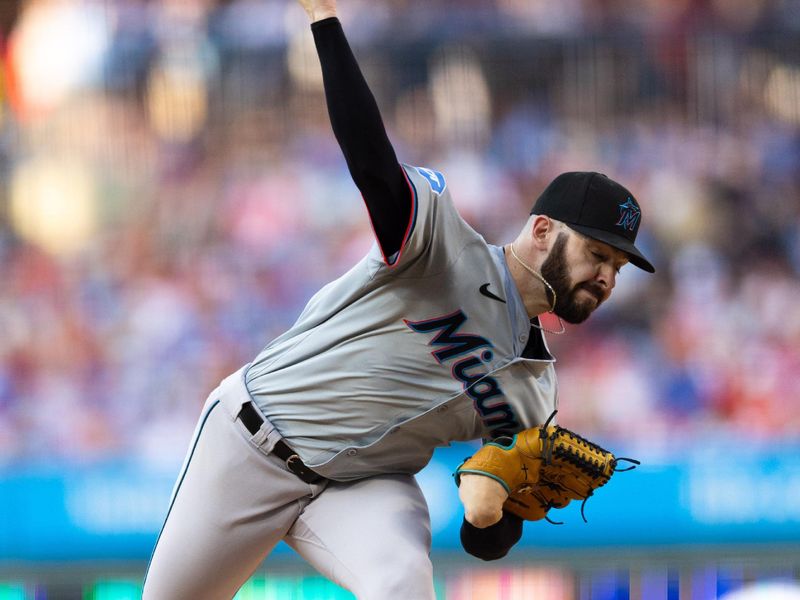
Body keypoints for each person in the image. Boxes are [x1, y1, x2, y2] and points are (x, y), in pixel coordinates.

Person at [142, 1, 655, 598]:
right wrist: (325, 22)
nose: (607, 277)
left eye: (616, 266)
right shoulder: (441, 245)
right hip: (253, 444)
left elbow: (487, 542)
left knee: (404, 584)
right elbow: (373, 163)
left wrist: (490, 513)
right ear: (542, 231)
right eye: (598, 254)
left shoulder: (534, 393)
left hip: (362, 487)